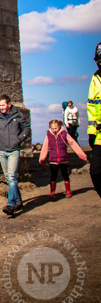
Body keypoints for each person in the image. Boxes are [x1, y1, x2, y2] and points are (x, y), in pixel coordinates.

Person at [0, 94, 31, 216]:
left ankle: (11, 204)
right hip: (1, 150)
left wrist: (18, 140)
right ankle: (19, 201)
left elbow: (26, 129)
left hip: (14, 150)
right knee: (9, 178)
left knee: (12, 177)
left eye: (3, 105)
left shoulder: (17, 115)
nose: (1, 108)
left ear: (9, 104)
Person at [39, 119, 88, 198]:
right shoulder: (48, 136)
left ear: (59, 127)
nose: (54, 130)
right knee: (53, 176)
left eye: (55, 128)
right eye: (52, 128)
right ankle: (52, 192)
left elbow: (74, 144)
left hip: (63, 159)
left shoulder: (64, 134)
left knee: (65, 175)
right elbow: (44, 147)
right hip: (53, 160)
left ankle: (68, 191)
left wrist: (83, 156)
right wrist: (42, 159)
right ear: (50, 128)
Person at [88, 42, 101, 197]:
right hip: (99, 135)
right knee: (95, 171)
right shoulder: (95, 79)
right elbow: (92, 107)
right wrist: (91, 132)